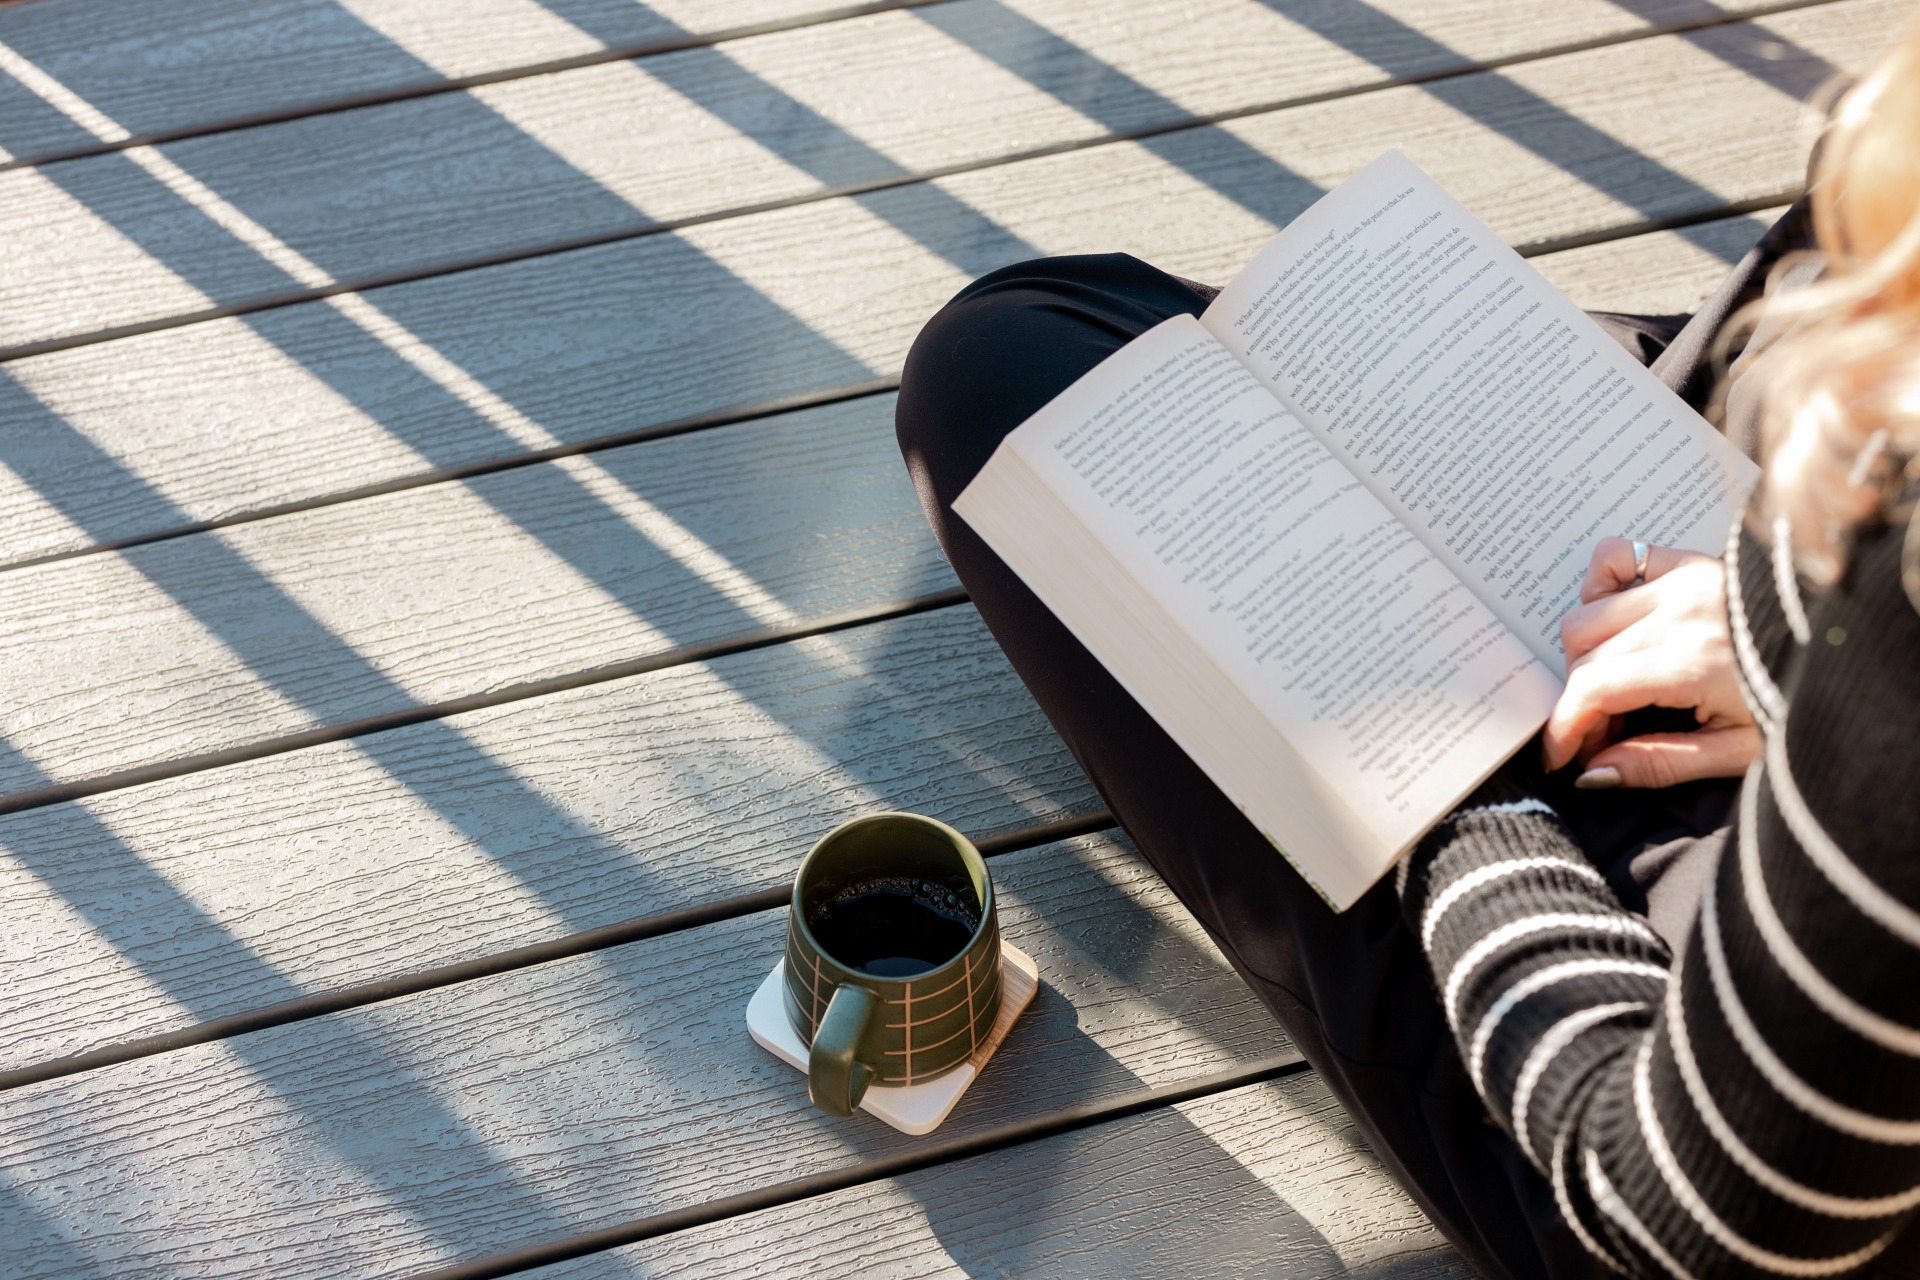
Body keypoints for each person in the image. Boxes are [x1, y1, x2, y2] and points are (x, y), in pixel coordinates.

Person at [894, 26, 1920, 1280]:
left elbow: (1687, 1216)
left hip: (1687, 1047)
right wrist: (1790, 620)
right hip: (1781, 543)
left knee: (1002, 371)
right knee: (1085, 347)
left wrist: (1431, 785)